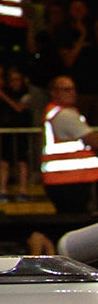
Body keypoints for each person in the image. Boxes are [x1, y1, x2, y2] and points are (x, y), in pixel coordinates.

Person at [43, 74, 98, 216]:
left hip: (63, 180)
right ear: (53, 92)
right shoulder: (65, 115)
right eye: (66, 90)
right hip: (70, 181)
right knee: (76, 221)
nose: (72, 93)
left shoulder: (54, 112)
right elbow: (92, 141)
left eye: (73, 89)